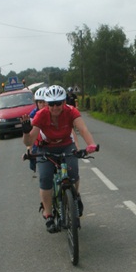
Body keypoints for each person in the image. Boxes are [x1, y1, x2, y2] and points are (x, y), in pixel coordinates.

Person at [22, 85, 98, 233]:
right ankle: (49, 214)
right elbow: (29, 142)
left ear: (64, 102)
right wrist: (26, 132)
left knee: (73, 173)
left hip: (66, 145)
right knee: (45, 179)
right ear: (47, 103)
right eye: (51, 104)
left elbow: (82, 129)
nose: (55, 107)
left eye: (58, 103)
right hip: (46, 147)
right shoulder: (41, 115)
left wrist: (91, 145)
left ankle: (75, 197)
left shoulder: (71, 112)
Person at [27, 87, 47, 174]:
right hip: (39, 142)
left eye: (45, 102)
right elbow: (30, 133)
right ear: (37, 103)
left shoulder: (55, 111)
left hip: (54, 142)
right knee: (33, 153)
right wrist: (29, 148)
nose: (43, 104)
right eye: (40, 102)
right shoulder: (33, 115)